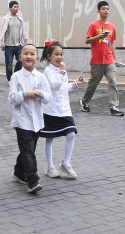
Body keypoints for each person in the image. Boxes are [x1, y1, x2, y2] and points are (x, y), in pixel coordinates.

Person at [8, 43, 50, 194]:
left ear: (37, 58)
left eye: (32, 54)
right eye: (26, 53)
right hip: (22, 120)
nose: (29, 56)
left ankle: (19, 172)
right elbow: (12, 98)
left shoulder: (41, 77)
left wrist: (40, 94)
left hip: (37, 121)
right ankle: (33, 180)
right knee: (27, 150)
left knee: (28, 149)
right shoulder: (16, 77)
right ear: (20, 57)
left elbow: (48, 98)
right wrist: (25, 94)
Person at [39, 42, 83, 179]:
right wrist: (62, 71)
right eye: (56, 54)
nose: (59, 57)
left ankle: (66, 163)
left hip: (64, 109)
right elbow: (53, 84)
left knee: (71, 134)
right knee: (50, 138)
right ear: (49, 56)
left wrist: (75, 83)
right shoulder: (48, 70)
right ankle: (50, 166)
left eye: (61, 54)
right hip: (51, 110)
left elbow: (63, 88)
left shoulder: (62, 71)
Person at [80, 1, 123, 116]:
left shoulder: (112, 26)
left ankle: (114, 106)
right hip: (97, 60)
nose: (106, 11)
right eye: (103, 9)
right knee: (93, 83)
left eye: (107, 9)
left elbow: (111, 43)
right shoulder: (94, 25)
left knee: (113, 82)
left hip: (109, 60)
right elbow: (87, 40)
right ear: (98, 11)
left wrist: (115, 58)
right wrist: (99, 37)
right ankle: (85, 101)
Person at [0, 1, 27, 80]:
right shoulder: (5, 18)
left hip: (18, 45)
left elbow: (24, 30)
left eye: (17, 7)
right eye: (14, 7)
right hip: (8, 45)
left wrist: (25, 42)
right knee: (9, 64)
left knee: (20, 61)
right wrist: (2, 43)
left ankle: (15, 76)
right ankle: (10, 79)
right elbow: (2, 32)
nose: (16, 8)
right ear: (10, 8)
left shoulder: (20, 19)